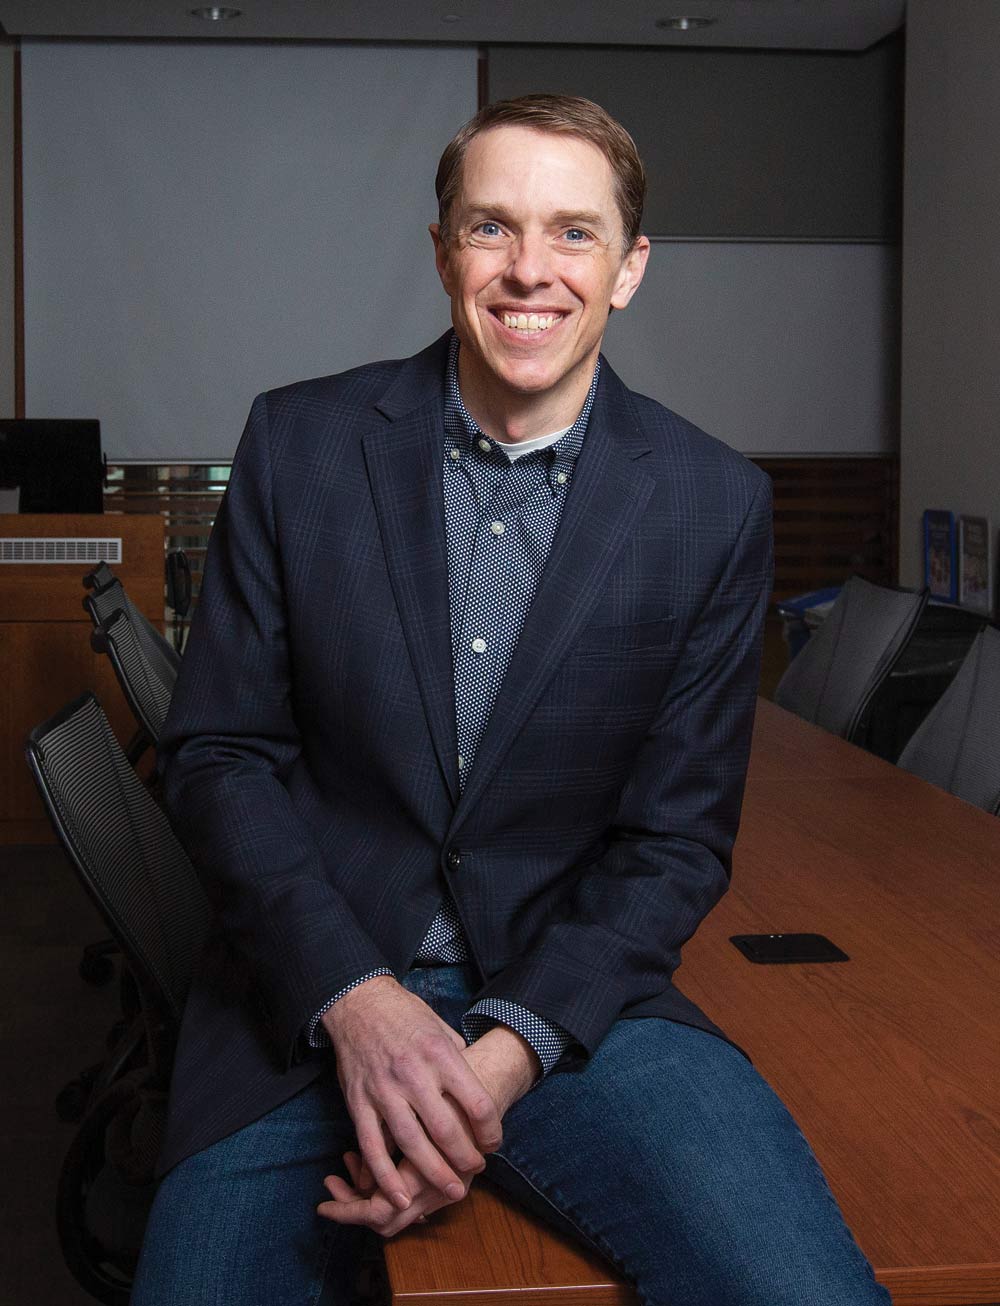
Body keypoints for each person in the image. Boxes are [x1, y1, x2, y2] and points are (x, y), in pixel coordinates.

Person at [132, 95, 890, 1305]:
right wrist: (358, 999)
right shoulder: (299, 443)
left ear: (629, 269)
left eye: (574, 234)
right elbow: (217, 754)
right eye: (491, 228)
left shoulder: (711, 502)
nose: (529, 270)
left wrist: (500, 1060)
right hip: (307, 988)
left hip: (574, 997)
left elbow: (675, 841)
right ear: (442, 252)